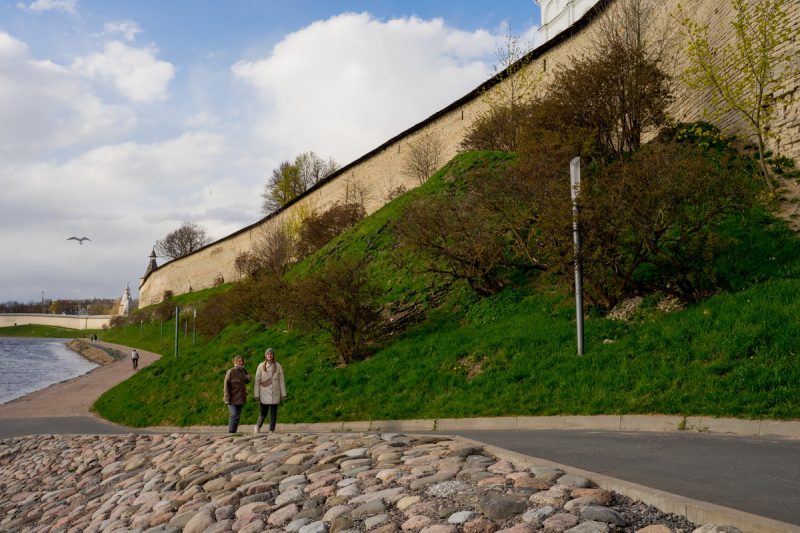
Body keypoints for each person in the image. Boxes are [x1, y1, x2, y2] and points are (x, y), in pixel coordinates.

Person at [253, 348, 286, 434]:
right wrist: (256, 394)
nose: (269, 356)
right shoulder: (261, 366)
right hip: (264, 393)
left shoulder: (278, 366)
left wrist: (283, 393)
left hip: (275, 392)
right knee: (263, 412)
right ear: (266, 355)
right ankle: (258, 426)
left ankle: (271, 429)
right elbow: (257, 381)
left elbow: (281, 380)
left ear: (273, 355)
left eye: (271, 354)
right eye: (268, 354)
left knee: (274, 413)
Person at [223, 355, 251, 433]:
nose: (241, 362)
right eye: (239, 361)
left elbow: (245, 381)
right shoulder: (231, 372)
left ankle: (234, 432)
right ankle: (231, 432)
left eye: (242, 361)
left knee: (238, 416)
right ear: (235, 362)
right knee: (233, 414)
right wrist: (226, 398)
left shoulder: (243, 371)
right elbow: (226, 386)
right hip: (231, 398)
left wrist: (249, 378)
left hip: (240, 398)